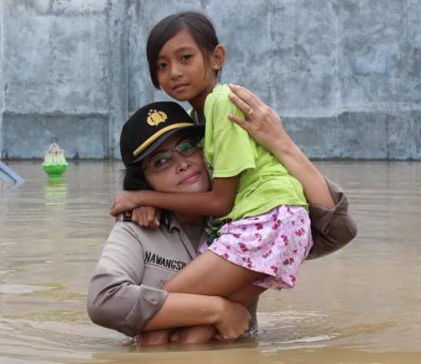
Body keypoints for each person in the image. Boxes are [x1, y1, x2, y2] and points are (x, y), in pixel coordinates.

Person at [108, 11, 316, 343]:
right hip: (274, 221)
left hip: (265, 220)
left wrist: (142, 197)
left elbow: (220, 202)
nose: (174, 72)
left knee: (159, 310)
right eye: (161, 66)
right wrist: (151, 205)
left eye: (185, 58)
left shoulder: (223, 103)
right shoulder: (199, 115)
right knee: (189, 335)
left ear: (216, 57)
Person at [89, 100, 356, 345]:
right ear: (143, 182)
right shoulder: (136, 229)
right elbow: (104, 301)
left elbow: (338, 231)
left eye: (187, 147)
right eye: (161, 162)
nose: (182, 164)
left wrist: (282, 144)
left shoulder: (248, 221)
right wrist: (219, 311)